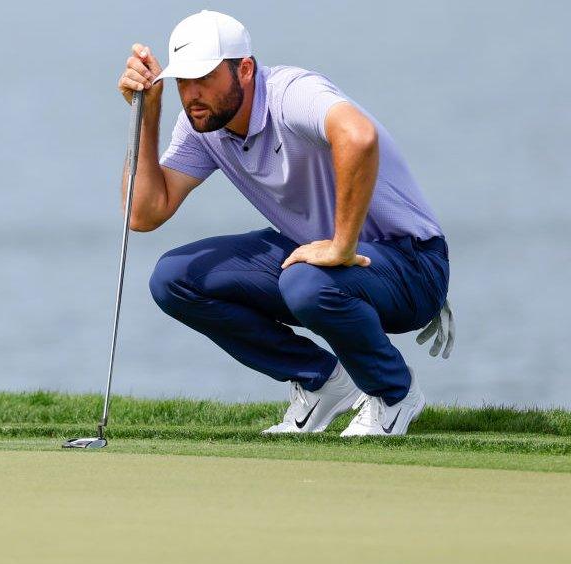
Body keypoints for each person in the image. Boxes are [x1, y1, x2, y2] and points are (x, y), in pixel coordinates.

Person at [117, 10, 455, 436]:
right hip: (320, 260)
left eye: (204, 78)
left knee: (305, 281)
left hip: (411, 263)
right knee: (173, 278)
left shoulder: (290, 93)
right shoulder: (202, 125)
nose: (192, 93)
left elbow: (358, 136)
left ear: (244, 69)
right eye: (183, 81)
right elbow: (144, 213)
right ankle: (324, 382)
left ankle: (394, 392)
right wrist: (148, 117)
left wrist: (341, 246)